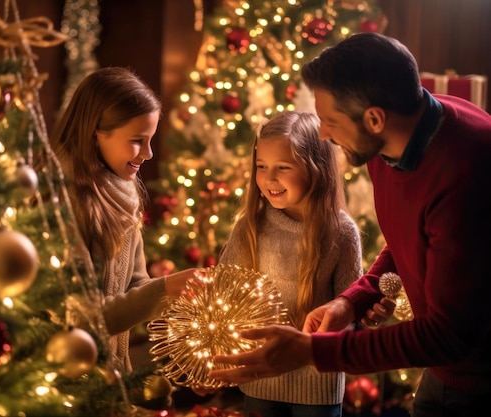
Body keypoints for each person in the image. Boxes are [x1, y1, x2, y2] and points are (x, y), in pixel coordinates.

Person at [209, 32, 491, 417]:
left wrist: (311, 351)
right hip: (447, 371)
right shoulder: (387, 140)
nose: (323, 134)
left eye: (330, 121)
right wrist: (351, 301)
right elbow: (418, 237)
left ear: (374, 118)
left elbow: (448, 334)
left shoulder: (467, 171)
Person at [48, 66, 202, 372]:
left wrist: (183, 314)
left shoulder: (124, 190)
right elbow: (80, 318)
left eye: (150, 140)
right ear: (95, 135)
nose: (148, 154)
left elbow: (135, 282)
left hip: (111, 376)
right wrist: (164, 289)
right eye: (137, 140)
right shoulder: (58, 201)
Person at [217, 111, 363, 417]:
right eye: (261, 167)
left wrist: (320, 345)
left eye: (283, 167)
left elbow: (351, 307)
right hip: (260, 382)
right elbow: (223, 295)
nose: (269, 179)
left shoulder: (342, 232)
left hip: (318, 387)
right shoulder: (250, 226)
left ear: (317, 169)